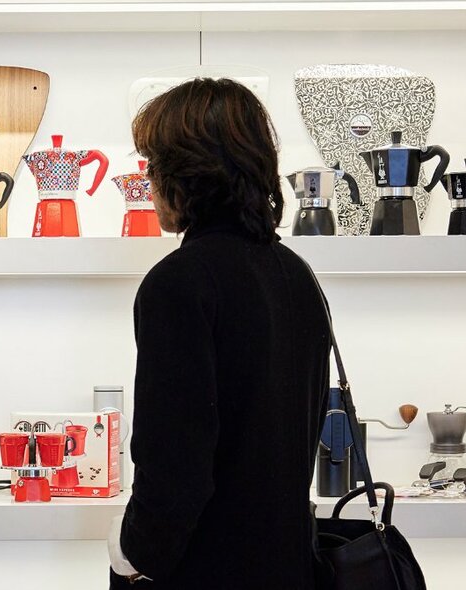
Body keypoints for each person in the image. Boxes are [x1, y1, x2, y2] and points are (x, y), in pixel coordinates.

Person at [108, 79, 331, 589]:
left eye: (153, 165)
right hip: (291, 563)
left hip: (204, 569)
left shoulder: (179, 282)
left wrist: (132, 555)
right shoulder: (296, 274)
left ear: (187, 175)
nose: (147, 180)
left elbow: (173, 465)